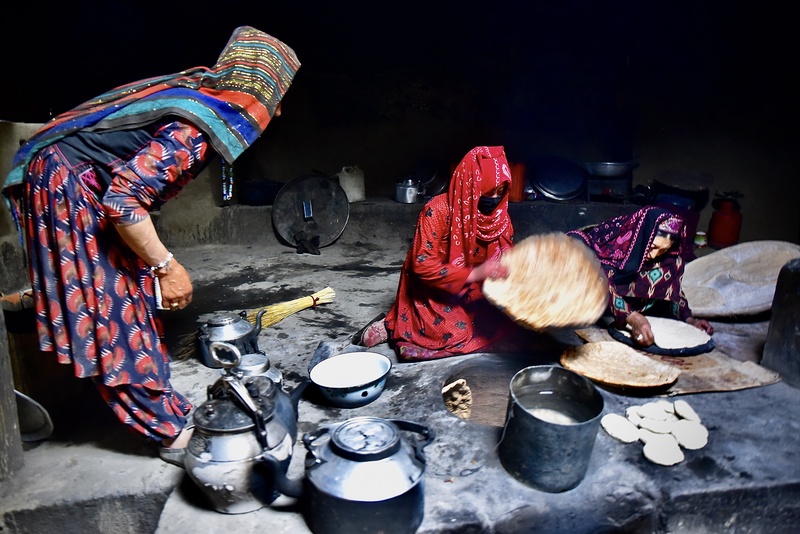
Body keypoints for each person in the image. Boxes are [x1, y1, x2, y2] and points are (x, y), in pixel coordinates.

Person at [1, 27, 300, 460]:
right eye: (276, 94)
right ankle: (166, 432)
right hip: (65, 185)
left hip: (70, 180)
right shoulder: (195, 125)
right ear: (259, 88)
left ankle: (58, 306)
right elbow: (123, 202)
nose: (277, 108)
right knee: (112, 310)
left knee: (130, 289)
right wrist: (167, 265)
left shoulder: (199, 100)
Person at [356, 146, 549, 360]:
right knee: (454, 333)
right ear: (470, 186)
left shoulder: (499, 217)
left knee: (518, 325)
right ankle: (394, 325)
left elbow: (505, 257)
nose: (494, 198)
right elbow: (421, 264)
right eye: (487, 191)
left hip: (479, 290)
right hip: (437, 288)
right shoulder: (437, 210)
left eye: (500, 191)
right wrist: (473, 274)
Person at [566, 206, 714, 346]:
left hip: (632, 310)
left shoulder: (666, 259)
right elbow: (600, 281)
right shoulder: (612, 247)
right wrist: (632, 317)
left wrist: (690, 320)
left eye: (663, 250)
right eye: (653, 247)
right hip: (587, 307)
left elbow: (673, 291)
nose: (654, 254)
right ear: (642, 238)